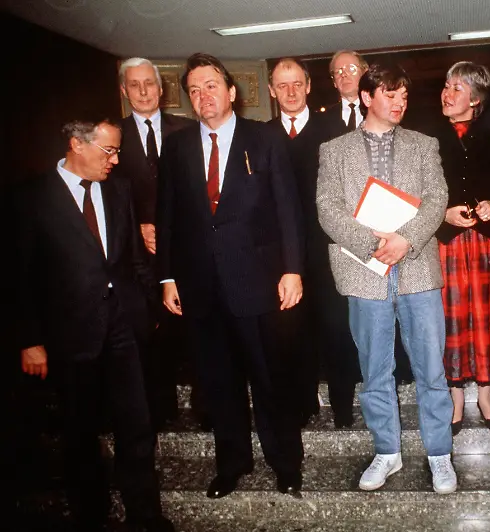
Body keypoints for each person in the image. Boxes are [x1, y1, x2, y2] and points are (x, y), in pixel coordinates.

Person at [155, 53, 305, 499]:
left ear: (232, 91)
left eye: (211, 86)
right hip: (200, 288)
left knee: (269, 381)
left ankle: (285, 464)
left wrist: (293, 269)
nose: (203, 96)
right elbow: (166, 217)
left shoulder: (263, 139)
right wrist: (166, 277)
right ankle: (232, 464)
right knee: (218, 384)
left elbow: (287, 209)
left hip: (257, 284)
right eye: (195, 90)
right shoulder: (177, 147)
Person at [14, 119, 174, 531]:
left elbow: (135, 258)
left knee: (136, 426)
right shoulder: (32, 197)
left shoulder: (118, 190)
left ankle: (146, 515)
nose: (116, 160)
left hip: (125, 327)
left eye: (118, 151)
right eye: (109, 151)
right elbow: (18, 276)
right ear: (76, 145)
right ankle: (91, 514)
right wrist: (30, 340)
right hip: (70, 334)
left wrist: (147, 310)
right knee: (79, 431)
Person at [316, 63, 457, 494]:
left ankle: (440, 456)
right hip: (364, 273)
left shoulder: (423, 144)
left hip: (417, 269)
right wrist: (371, 243)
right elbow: (327, 207)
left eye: (403, 97)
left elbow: (437, 198)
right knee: (375, 371)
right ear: (366, 97)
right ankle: (387, 453)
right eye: (390, 95)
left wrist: (407, 240)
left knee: (431, 369)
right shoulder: (334, 150)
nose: (399, 103)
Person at [267, 57, 358, 428]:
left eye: (296, 84)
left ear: (308, 86)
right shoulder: (260, 136)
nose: (290, 92)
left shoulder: (334, 131)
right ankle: (303, 402)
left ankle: (341, 404)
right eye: (281, 85)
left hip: (330, 250)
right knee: (292, 333)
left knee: (336, 328)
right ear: (272, 91)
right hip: (282, 255)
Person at [431, 61, 490, 436]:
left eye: (456, 88)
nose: (446, 94)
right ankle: (454, 402)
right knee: (449, 324)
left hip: (486, 245)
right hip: (447, 244)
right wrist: (442, 214)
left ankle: (485, 397)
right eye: (446, 86)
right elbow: (416, 194)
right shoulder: (427, 137)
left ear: (476, 98)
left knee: (483, 320)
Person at [113, 57, 201, 430]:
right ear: (124, 90)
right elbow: (108, 200)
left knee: (199, 330)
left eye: (150, 83)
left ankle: (205, 406)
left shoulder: (189, 129)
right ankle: (161, 408)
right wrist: (139, 231)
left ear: (161, 87)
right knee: (151, 335)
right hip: (138, 256)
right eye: (135, 85)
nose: (144, 91)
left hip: (187, 249)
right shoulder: (111, 137)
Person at [320, 50, 368, 138]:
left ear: (364, 73)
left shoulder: (379, 113)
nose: (344, 75)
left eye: (350, 69)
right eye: (338, 71)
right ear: (334, 81)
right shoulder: (321, 120)